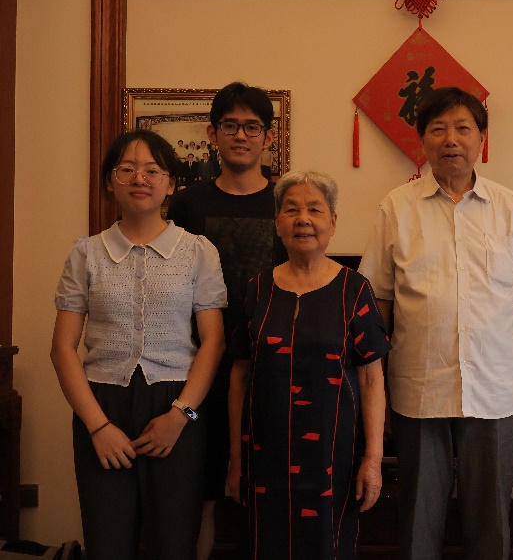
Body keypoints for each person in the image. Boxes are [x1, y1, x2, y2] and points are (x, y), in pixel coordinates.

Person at [358, 87, 513, 560]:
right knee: (418, 515)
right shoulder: (396, 207)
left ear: (481, 139)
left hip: (496, 385)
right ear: (422, 141)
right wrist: (374, 384)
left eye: (463, 128)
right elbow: (378, 300)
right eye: (438, 129)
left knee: (491, 517)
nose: (451, 139)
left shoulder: (508, 206)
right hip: (419, 384)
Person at [50, 130, 227, 559]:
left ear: (171, 184)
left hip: (177, 404)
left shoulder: (198, 252)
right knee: (107, 543)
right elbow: (62, 349)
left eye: (152, 170)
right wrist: (98, 427)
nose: (139, 179)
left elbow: (214, 342)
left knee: (175, 542)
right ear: (110, 182)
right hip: (102, 403)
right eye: (126, 169)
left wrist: (181, 416)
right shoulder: (86, 254)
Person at [227, 171, 390, 559]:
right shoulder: (257, 289)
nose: (303, 219)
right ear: (277, 222)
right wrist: (235, 459)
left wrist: (373, 459)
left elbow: (372, 379)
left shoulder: (354, 289)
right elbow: (239, 377)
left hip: (333, 457)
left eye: (314, 210)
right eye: (291, 210)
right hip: (264, 457)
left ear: (332, 222)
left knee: (327, 545)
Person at [166, 81, 288, 560]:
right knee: (202, 490)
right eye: (230, 126)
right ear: (212, 133)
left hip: (271, 364)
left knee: (269, 488)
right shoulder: (188, 204)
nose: (241, 135)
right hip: (200, 368)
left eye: (252, 127)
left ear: (268, 137)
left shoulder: (284, 203)